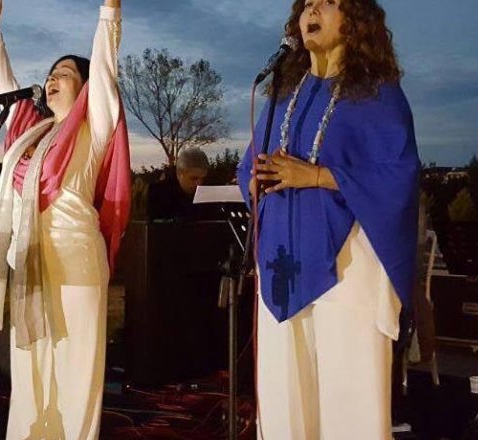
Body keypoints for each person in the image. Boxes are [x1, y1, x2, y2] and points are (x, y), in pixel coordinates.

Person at [236, 0, 420, 438]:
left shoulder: (376, 93)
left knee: (349, 407)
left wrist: (316, 176)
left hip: (349, 269)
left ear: (355, 21)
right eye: (306, 4)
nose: (312, 9)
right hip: (282, 267)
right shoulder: (283, 94)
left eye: (328, 1)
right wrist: (255, 179)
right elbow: (248, 165)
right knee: (284, 405)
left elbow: (398, 175)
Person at [0, 0, 131, 438]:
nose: (51, 79)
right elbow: (7, 89)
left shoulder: (94, 127)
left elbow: (105, 67)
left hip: (76, 264)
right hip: (30, 262)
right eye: (50, 74)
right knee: (30, 371)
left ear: (85, 88)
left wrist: (109, 10)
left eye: (65, 73)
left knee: (74, 373)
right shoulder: (32, 134)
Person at [147, 147, 210, 221]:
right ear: (179, 174)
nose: (199, 183)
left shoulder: (209, 193)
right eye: (193, 178)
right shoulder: (158, 195)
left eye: (202, 178)